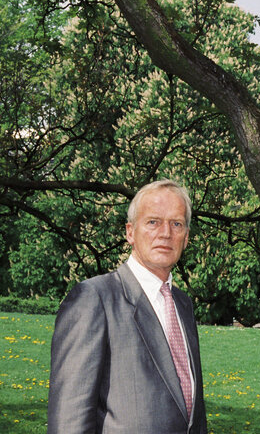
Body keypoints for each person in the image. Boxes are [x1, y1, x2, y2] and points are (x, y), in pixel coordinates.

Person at [47, 179, 207, 433]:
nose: (165, 233)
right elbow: (68, 421)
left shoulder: (183, 305)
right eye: (153, 222)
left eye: (176, 224)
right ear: (130, 232)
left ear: (186, 238)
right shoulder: (93, 299)